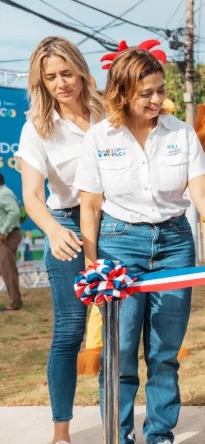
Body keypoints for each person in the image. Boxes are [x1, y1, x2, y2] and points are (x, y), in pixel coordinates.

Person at [74, 48, 205, 444]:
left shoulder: (181, 132)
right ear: (121, 94)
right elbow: (90, 204)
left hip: (173, 244)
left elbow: (201, 189)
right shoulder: (99, 137)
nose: (156, 101)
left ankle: (159, 435)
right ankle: (117, 436)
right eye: (145, 93)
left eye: (160, 91)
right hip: (119, 246)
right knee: (120, 354)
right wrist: (91, 261)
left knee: (164, 353)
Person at [14, 36, 104, 444]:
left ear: (82, 71)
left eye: (67, 73)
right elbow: (32, 196)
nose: (61, 83)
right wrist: (53, 230)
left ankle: (116, 428)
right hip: (66, 226)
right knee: (70, 331)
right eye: (50, 77)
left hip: (119, 227)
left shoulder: (111, 115)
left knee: (121, 334)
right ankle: (61, 432)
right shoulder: (37, 128)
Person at [0, 173, 22, 311]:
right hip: (6, 234)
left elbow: (14, 213)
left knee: (8, 270)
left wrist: (4, 231)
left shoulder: (4, 194)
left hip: (8, 236)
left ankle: (15, 303)